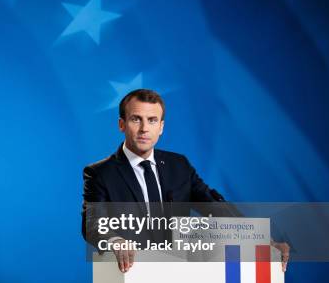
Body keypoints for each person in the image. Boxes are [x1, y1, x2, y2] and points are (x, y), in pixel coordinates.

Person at [81, 89, 290, 273]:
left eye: (152, 120)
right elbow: (93, 225)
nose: (145, 128)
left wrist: (263, 239)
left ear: (161, 127)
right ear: (121, 124)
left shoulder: (178, 166)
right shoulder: (100, 173)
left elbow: (215, 207)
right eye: (136, 119)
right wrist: (115, 241)